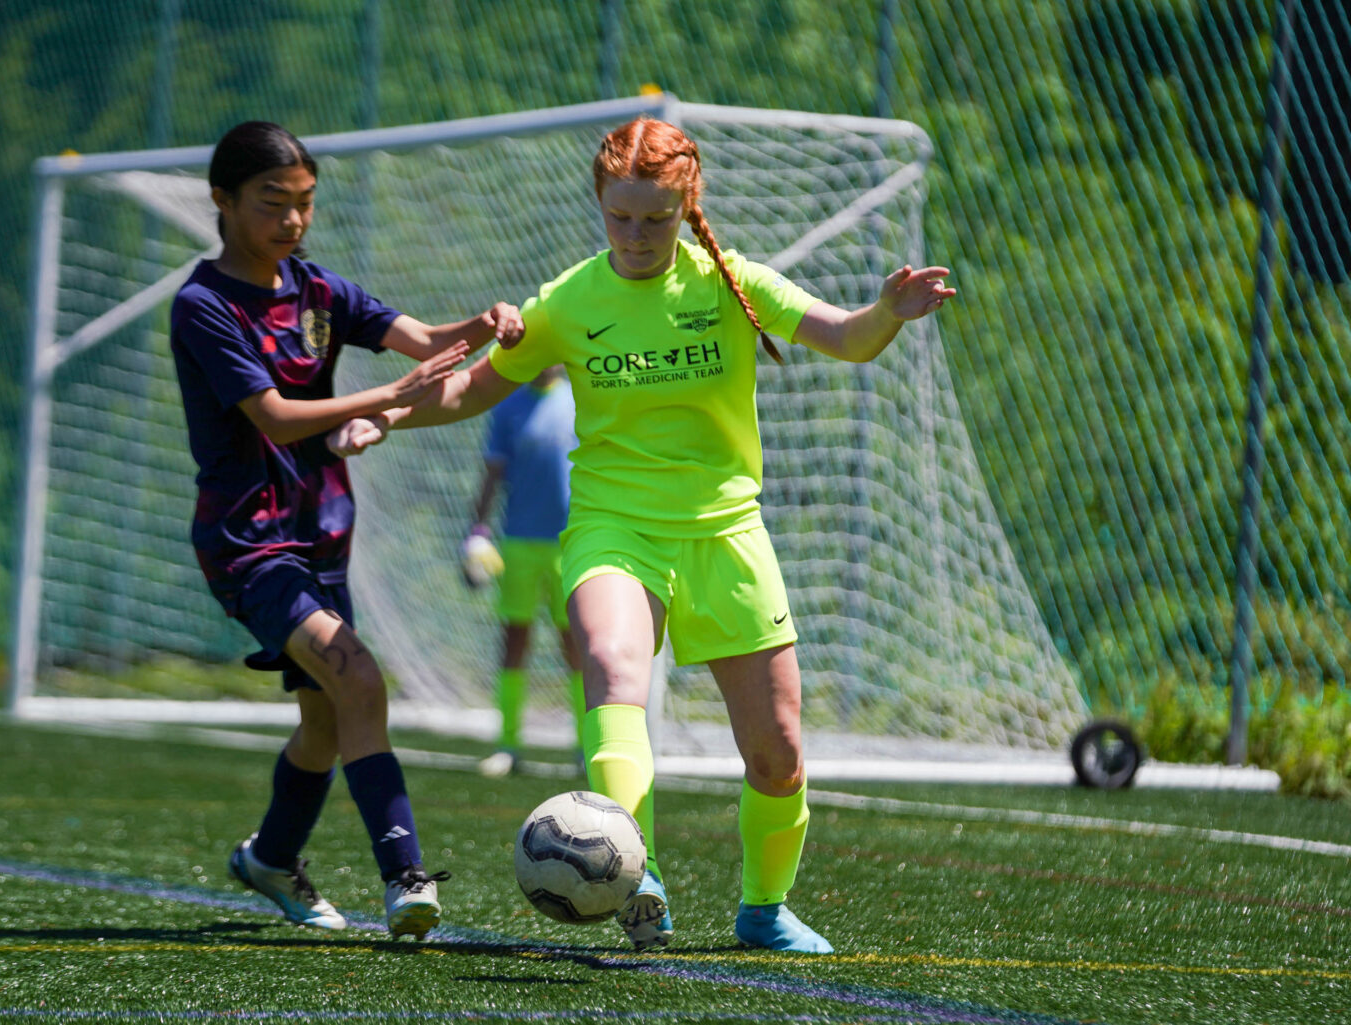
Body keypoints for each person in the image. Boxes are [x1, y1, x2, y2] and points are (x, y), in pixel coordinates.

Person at [336, 115, 955, 953]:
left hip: (727, 534)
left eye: (655, 219)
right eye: (619, 217)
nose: (635, 235)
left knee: (778, 755)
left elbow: (845, 337)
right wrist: (386, 414)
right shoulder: (568, 301)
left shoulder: (733, 283)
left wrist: (888, 309)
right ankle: (637, 870)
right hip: (611, 527)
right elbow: (476, 389)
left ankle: (763, 909)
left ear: (686, 203)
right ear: (600, 204)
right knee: (613, 665)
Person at [168, 120, 521, 940]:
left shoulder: (318, 292)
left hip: (322, 534)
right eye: (272, 204)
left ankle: (268, 857)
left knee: (326, 720)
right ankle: (405, 877)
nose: (291, 221)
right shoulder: (204, 306)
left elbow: (430, 343)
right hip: (249, 543)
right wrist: (388, 398)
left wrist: (488, 322)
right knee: (360, 679)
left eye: (304, 204)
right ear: (222, 201)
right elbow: (281, 419)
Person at [462, 365, 585, 778]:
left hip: (574, 544)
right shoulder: (508, 406)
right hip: (518, 542)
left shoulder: (582, 397)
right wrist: (477, 532)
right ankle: (509, 744)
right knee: (514, 641)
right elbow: (492, 473)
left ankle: (588, 749)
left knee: (579, 645)